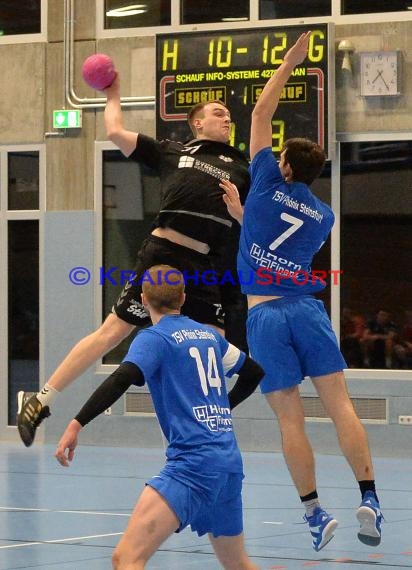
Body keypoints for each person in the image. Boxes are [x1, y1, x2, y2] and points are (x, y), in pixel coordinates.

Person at [17, 72, 250, 447]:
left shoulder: (242, 168)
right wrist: (113, 93)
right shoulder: (173, 152)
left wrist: (240, 212)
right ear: (197, 122)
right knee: (114, 331)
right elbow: (114, 131)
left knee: (214, 343)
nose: (226, 119)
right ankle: (41, 400)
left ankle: (200, 430)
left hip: (203, 264)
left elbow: (252, 224)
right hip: (162, 254)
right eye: (218, 113)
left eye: (229, 117)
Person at [220, 32, 383, 551]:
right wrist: (246, 220)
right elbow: (279, 242)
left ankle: (315, 512)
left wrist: (290, 64)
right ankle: (370, 496)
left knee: (290, 417)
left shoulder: (265, 180)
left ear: (284, 167)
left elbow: (261, 114)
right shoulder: (323, 215)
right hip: (308, 311)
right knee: (340, 406)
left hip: (266, 318)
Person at [55, 265, 263, 570]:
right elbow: (254, 372)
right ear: (183, 297)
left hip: (192, 467)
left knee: (126, 558)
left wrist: (76, 423)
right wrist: (222, 408)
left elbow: (120, 379)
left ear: (143, 298)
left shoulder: (154, 339)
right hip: (228, 464)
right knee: (237, 564)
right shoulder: (208, 336)